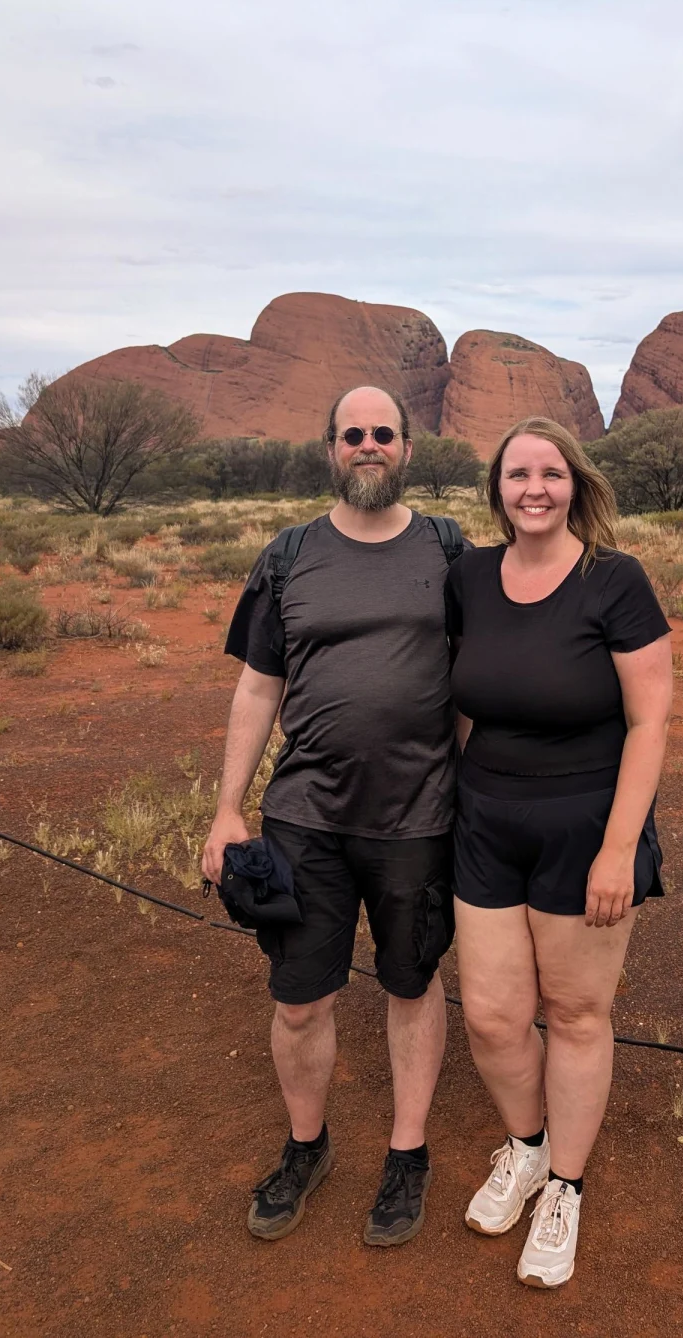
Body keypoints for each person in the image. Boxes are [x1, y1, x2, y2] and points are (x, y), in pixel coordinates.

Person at [201, 384, 465, 1249]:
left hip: (418, 817)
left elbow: (479, 678)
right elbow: (257, 688)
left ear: (408, 448)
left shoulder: (449, 549)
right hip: (304, 817)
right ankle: (306, 1147)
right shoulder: (288, 556)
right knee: (299, 999)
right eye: (352, 434)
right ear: (330, 449)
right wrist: (226, 810)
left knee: (411, 984)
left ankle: (408, 1153)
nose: (368, 445)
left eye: (383, 432)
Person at [444, 416, 673, 1289]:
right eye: (518, 475)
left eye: (551, 473)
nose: (534, 489)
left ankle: (566, 1189)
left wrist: (619, 849)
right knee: (492, 1016)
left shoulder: (614, 580)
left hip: (585, 825)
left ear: (576, 484)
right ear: (497, 491)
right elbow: (462, 696)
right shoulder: (470, 576)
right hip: (486, 821)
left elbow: (650, 721)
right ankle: (528, 1148)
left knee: (575, 1014)